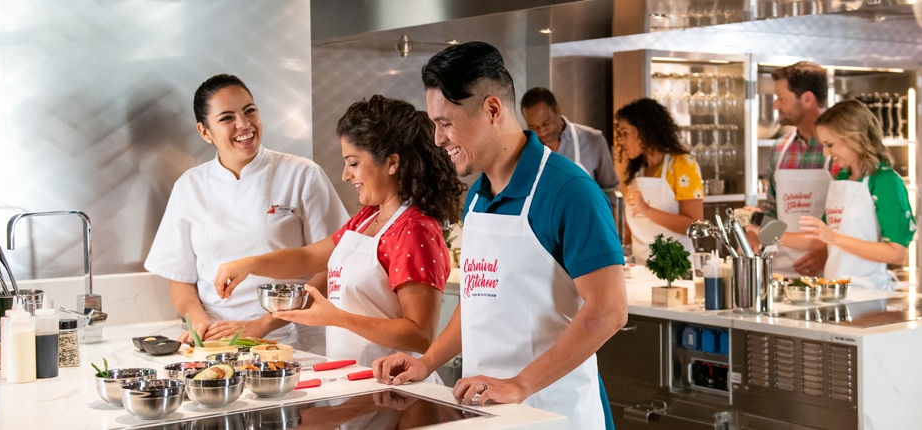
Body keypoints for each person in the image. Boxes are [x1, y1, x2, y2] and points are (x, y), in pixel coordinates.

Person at [370, 41, 628, 429]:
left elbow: (608, 311)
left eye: (446, 122)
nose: (438, 139)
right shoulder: (477, 196)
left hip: (555, 414)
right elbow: (478, 299)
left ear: (492, 109)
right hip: (487, 413)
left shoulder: (569, 191)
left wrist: (520, 385)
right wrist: (427, 362)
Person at [212, 95, 466, 367]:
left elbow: (419, 335)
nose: (346, 175)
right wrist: (250, 264)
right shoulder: (368, 218)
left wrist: (336, 317)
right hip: (355, 382)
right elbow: (308, 258)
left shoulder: (414, 230)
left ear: (392, 163)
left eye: (353, 163)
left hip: (394, 388)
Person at [144, 74, 348, 353]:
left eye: (249, 111)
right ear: (205, 132)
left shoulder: (302, 174)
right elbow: (181, 282)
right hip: (218, 342)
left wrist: (263, 325)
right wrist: (201, 324)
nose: (244, 124)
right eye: (227, 118)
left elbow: (335, 264)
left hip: (292, 340)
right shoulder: (189, 186)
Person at [799, 99, 916, 291]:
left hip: (870, 294)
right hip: (835, 292)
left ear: (854, 138)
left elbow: (896, 253)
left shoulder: (885, 181)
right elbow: (818, 238)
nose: (826, 153)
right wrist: (762, 230)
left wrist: (834, 238)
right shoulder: (843, 178)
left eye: (830, 144)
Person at [754, 61, 833, 278]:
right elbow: (773, 210)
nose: (775, 105)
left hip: (828, 276)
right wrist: (756, 238)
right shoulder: (780, 147)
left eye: (781, 98)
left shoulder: (840, 147)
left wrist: (829, 252)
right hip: (783, 273)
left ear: (807, 99)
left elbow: (851, 219)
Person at [615, 98, 704, 262]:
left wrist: (647, 211)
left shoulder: (682, 165)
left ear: (644, 131)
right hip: (641, 269)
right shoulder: (637, 172)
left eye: (625, 133)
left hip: (677, 270)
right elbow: (629, 233)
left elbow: (695, 226)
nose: (621, 141)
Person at [520, 87, 620, 203]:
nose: (542, 132)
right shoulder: (525, 150)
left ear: (557, 110)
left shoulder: (593, 139)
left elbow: (610, 189)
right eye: (534, 127)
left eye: (546, 124)